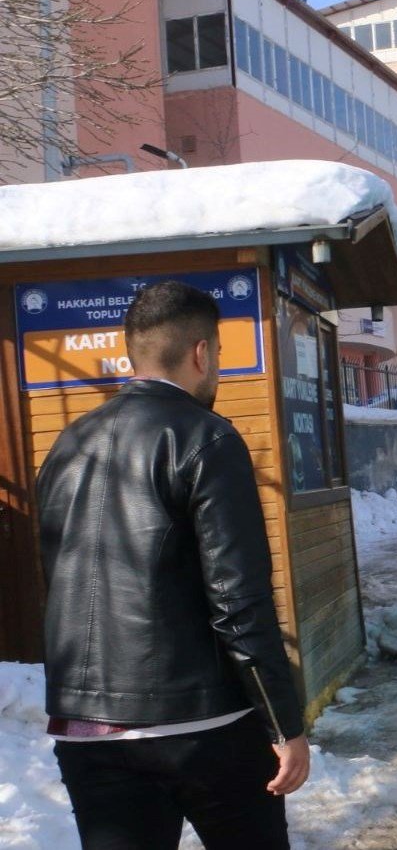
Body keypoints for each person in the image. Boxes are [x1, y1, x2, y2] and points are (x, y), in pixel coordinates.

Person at [38, 280, 310, 850]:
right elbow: (238, 600)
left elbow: (62, 580)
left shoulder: (66, 444)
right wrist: (284, 722)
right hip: (200, 726)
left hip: (87, 729)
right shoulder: (207, 438)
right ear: (202, 353)